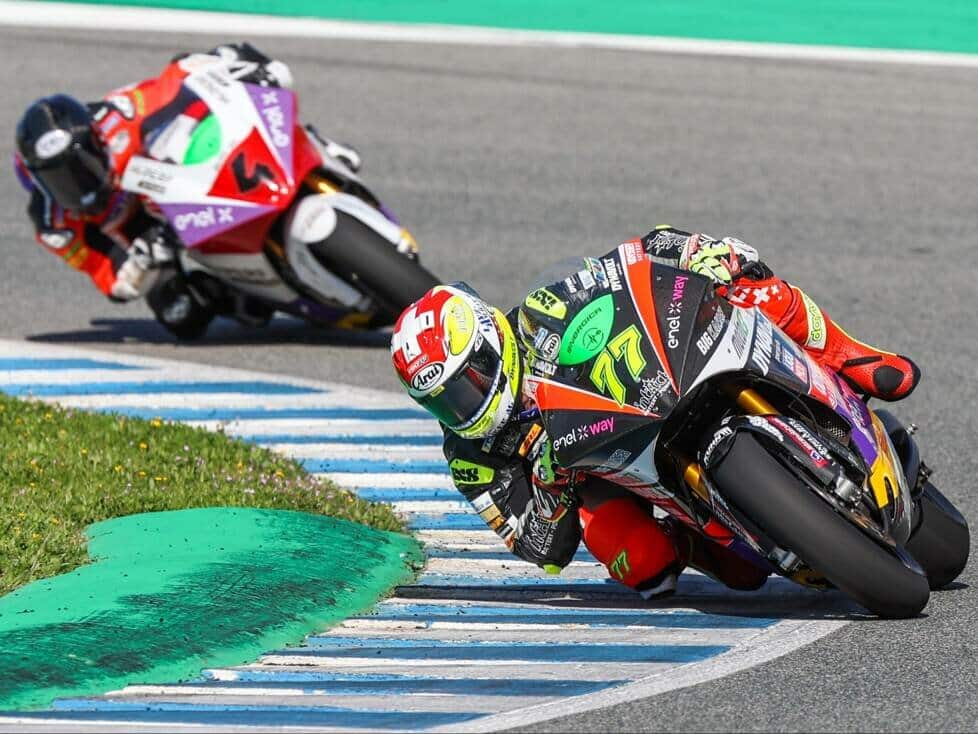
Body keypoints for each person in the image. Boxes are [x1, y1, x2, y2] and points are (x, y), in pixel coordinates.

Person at [390, 227, 920, 597]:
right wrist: (550, 489)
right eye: (443, 401)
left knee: (750, 288)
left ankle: (850, 355)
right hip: (609, 472)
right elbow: (541, 549)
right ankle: (706, 537)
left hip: (658, 383)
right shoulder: (471, 458)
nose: (464, 404)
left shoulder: (540, 312)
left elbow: (631, 256)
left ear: (489, 340)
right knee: (646, 562)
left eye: (469, 380)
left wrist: (702, 253)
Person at [13, 43, 360, 312]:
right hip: (151, 232)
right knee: (179, 310)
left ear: (97, 140)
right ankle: (251, 292)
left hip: (182, 174)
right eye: (60, 181)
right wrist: (139, 265)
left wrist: (235, 66)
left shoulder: (120, 114)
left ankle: (315, 146)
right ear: (38, 183)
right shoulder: (54, 224)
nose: (79, 184)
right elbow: (110, 277)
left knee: (253, 79)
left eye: (84, 164)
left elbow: (177, 77)